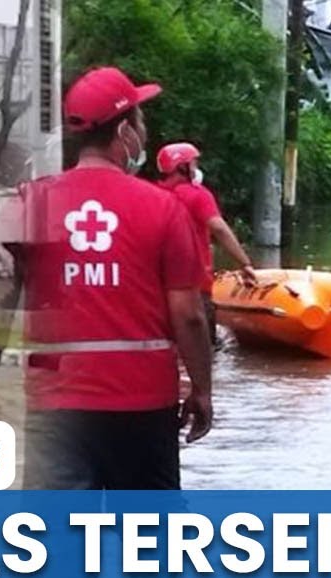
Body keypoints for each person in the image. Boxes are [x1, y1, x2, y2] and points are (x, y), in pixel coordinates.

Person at [20, 66, 213, 491]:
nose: (143, 133)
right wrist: (202, 390)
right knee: (147, 544)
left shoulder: (31, 203)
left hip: (55, 404)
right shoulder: (163, 209)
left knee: (54, 544)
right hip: (141, 405)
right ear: (125, 131)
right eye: (141, 122)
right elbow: (189, 316)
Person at [156, 142, 257, 342]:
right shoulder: (198, 196)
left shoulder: (153, 195)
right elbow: (219, 229)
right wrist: (245, 263)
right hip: (196, 287)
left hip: (160, 290)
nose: (196, 169)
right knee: (205, 349)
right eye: (193, 164)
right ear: (182, 167)